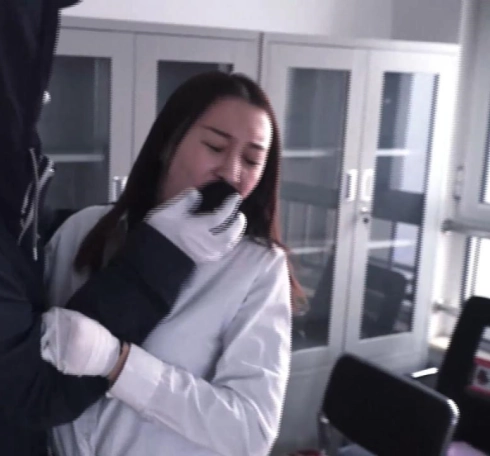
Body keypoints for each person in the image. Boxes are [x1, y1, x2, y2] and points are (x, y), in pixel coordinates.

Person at [0, 1, 246, 455]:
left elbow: (14, 255)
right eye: (25, 73)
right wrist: (161, 257)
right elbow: (39, 389)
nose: (44, 96)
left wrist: (117, 225)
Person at [40, 71, 304, 456]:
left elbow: (250, 431)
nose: (231, 173)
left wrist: (119, 364)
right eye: (215, 146)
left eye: (250, 160)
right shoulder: (83, 230)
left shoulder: (257, 268)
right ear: (168, 143)